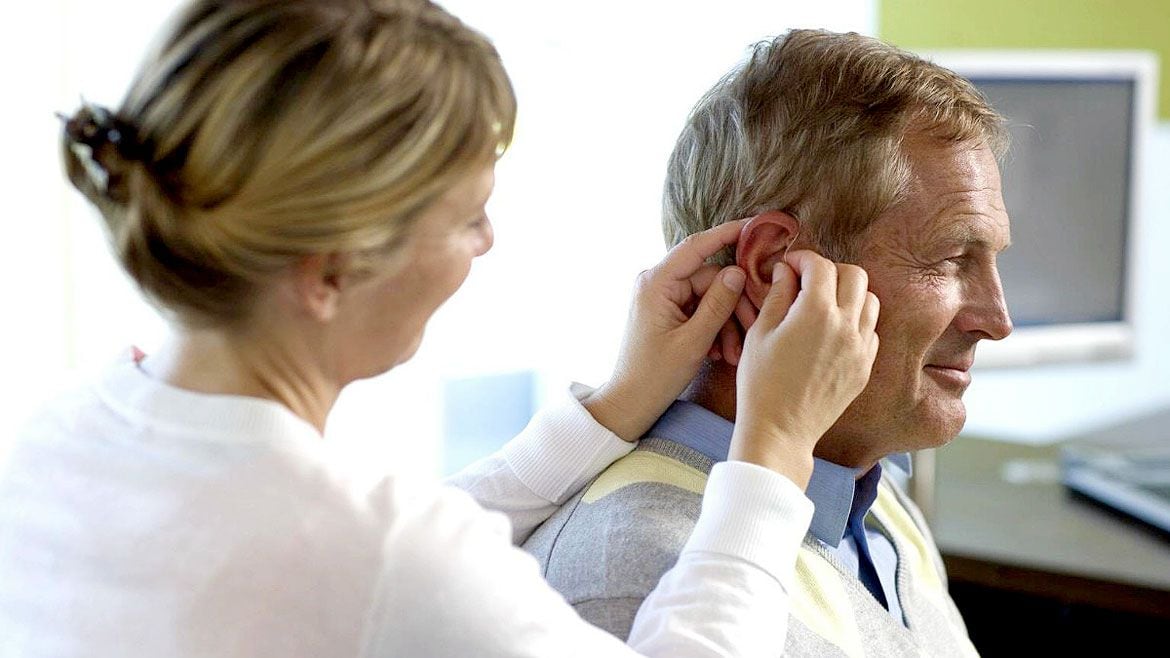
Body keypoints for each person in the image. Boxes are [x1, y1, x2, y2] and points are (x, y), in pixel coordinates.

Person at [0, 4, 881, 657]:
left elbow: (382, 562)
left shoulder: (65, 432)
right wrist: (773, 451)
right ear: (332, 268)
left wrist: (614, 408)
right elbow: (394, 567)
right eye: (468, 218)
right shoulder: (375, 552)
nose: (487, 243)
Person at [524, 28, 1013, 657]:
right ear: (775, 267)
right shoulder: (632, 579)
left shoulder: (868, 490)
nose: (997, 319)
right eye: (950, 259)